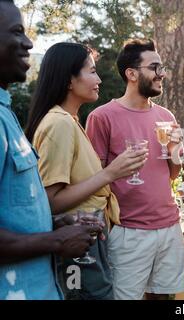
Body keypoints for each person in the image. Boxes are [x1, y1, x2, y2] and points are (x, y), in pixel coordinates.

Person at [24, 42, 148, 300]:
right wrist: (109, 173)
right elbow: (50, 202)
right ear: (70, 80)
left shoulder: (68, 120)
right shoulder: (59, 124)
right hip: (76, 240)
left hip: (88, 235)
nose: (99, 79)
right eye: (92, 71)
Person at [0, 0, 103, 300]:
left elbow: (14, 210)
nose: (28, 42)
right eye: (16, 32)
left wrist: (53, 223)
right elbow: (54, 195)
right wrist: (55, 241)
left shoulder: (7, 115)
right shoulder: (58, 123)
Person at [86, 39, 184, 300]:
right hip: (128, 231)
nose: (161, 73)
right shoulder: (102, 117)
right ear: (131, 74)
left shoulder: (166, 116)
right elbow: (93, 178)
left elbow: (171, 175)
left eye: (162, 67)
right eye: (154, 67)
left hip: (169, 226)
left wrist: (176, 152)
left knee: (162, 296)